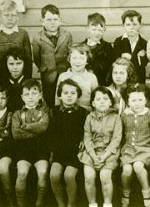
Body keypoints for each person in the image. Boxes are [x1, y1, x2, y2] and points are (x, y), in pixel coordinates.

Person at [78, 86, 122, 207]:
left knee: (104, 176)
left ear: (110, 102)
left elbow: (116, 139)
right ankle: (92, 204)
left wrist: (104, 156)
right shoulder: (89, 117)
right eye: (98, 99)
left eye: (105, 99)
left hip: (109, 153)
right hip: (91, 152)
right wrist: (93, 155)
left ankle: (108, 204)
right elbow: (87, 137)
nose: (102, 101)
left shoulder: (116, 118)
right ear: (93, 103)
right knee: (89, 176)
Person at [49, 79, 88, 207]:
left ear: (78, 95)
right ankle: (61, 204)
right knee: (54, 175)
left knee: (69, 176)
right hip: (59, 151)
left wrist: (83, 140)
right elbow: (50, 132)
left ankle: (71, 204)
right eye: (66, 93)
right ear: (60, 95)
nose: (69, 96)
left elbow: (87, 131)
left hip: (75, 152)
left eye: (73, 93)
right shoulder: (53, 111)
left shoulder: (83, 112)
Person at [11, 79, 50, 207]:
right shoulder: (17, 114)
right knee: (22, 173)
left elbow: (44, 127)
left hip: (41, 150)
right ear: (22, 97)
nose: (30, 97)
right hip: (23, 151)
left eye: (34, 93)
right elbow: (16, 134)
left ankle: (39, 203)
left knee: (43, 172)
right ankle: (20, 204)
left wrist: (25, 126)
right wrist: (36, 130)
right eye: (27, 94)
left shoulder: (45, 111)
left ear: (40, 95)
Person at [120, 84, 150, 207]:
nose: (137, 103)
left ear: (146, 100)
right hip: (129, 148)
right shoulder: (124, 115)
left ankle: (147, 195)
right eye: (133, 100)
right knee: (127, 170)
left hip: (145, 148)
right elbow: (120, 134)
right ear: (128, 101)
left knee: (138, 166)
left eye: (140, 100)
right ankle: (126, 193)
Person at [32, 4, 73, 109]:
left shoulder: (67, 35)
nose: (52, 22)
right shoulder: (37, 38)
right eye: (49, 20)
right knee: (49, 100)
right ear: (42, 21)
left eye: (55, 19)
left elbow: (70, 54)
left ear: (60, 20)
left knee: (63, 98)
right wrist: (44, 68)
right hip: (47, 75)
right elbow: (36, 58)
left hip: (64, 72)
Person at [0, 0, 32, 85]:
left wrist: (27, 79)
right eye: (6, 15)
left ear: (18, 17)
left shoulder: (23, 34)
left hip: (20, 77)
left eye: (13, 15)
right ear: (0, 17)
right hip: (0, 77)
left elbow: (28, 59)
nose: (10, 18)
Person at [55, 44, 99, 112]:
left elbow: (96, 98)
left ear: (87, 61)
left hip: (86, 112)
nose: (77, 62)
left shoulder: (92, 77)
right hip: (66, 112)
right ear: (69, 60)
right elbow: (58, 98)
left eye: (81, 58)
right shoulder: (63, 76)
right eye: (74, 58)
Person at [113, 10, 148, 84]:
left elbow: (141, 65)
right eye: (128, 25)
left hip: (139, 81)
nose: (131, 27)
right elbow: (117, 62)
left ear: (140, 25)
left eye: (135, 24)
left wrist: (129, 57)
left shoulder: (144, 43)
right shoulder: (118, 42)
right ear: (123, 25)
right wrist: (136, 57)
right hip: (122, 81)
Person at [83, 13, 115, 86]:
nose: (97, 33)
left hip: (102, 83)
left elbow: (111, 68)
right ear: (87, 29)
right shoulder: (81, 47)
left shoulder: (108, 47)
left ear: (104, 30)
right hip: (86, 84)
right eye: (94, 29)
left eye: (100, 30)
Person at [2, 47, 27, 112]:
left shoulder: (29, 83)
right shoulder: (2, 84)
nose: (15, 67)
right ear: (6, 64)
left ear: (24, 64)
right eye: (11, 64)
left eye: (18, 63)